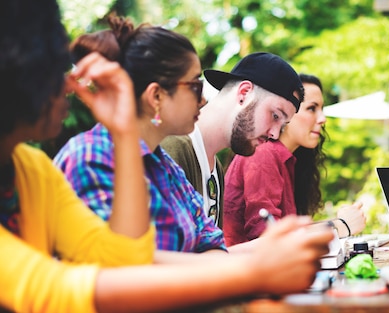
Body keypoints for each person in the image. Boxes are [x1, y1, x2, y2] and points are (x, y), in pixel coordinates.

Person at [1, 2, 333, 311]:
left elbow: (125, 259)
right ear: (17, 68)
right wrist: (256, 271)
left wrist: (124, 132)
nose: (69, 83)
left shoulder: (33, 169)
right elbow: (58, 289)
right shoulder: (90, 156)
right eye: (57, 67)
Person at [54, 18, 303, 254]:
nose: (204, 97)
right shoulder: (92, 157)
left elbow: (212, 250)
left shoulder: (166, 167)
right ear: (156, 96)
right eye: (195, 85)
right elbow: (129, 267)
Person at [160, 52, 306, 230]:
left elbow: (211, 253)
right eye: (275, 115)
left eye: (282, 125)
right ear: (244, 93)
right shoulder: (172, 147)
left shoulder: (216, 170)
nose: (275, 134)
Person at [223, 74, 366, 246]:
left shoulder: (288, 160)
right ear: (286, 111)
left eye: (322, 109)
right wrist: (340, 226)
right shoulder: (263, 153)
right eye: (312, 108)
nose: (322, 119)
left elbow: (289, 234)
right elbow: (269, 236)